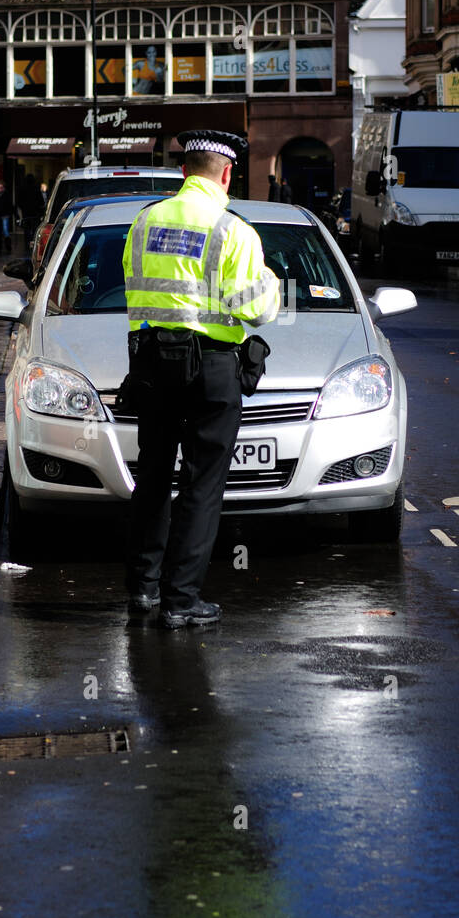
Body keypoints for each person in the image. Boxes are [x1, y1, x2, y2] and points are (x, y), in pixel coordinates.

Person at [122, 129, 281, 629]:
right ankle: (181, 600)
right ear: (227, 173)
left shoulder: (145, 222)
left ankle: (143, 589)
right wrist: (274, 284)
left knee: (151, 477)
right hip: (211, 368)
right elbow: (252, 308)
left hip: (151, 365)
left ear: (184, 172)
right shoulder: (233, 230)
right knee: (201, 485)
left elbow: (132, 280)